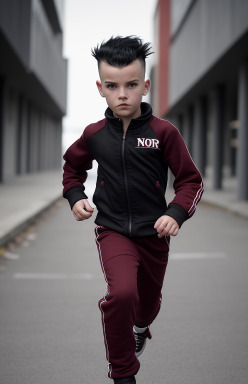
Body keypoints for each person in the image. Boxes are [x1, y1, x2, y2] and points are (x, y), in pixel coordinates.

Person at [62, 36, 203, 384]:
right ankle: (123, 373)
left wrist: (176, 213)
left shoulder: (163, 132)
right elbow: (72, 169)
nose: (122, 93)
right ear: (100, 88)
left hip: (154, 234)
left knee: (147, 305)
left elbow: (191, 181)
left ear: (145, 85)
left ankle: (142, 327)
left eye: (131, 85)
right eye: (112, 86)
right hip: (112, 230)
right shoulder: (94, 134)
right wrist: (76, 195)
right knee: (121, 294)